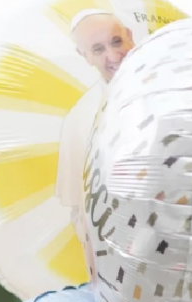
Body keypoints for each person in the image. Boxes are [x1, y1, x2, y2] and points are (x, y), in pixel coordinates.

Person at [57, 9, 136, 274]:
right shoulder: (80, 119)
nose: (113, 56)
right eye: (98, 49)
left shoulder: (173, 83)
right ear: (85, 56)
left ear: (130, 36)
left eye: (116, 41)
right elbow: (80, 210)